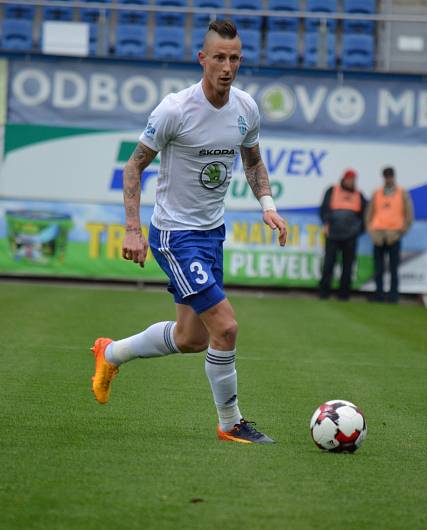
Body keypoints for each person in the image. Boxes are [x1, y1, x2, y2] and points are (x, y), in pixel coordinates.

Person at [89, 20, 288, 445]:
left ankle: (110, 353)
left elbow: (253, 163)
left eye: (234, 58)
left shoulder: (246, 108)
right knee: (227, 327)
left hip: (211, 234)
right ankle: (231, 422)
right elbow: (133, 166)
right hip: (174, 235)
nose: (227, 66)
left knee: (191, 338)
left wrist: (268, 207)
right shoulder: (175, 109)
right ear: (203, 59)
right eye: (219, 57)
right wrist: (132, 229)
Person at [365, 166, 414, 303]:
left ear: (394, 176)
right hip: (378, 236)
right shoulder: (377, 193)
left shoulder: (402, 193)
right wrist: (372, 232)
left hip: (394, 236)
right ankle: (379, 295)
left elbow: (409, 215)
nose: (388, 179)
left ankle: (393, 296)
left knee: (393, 269)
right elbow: (369, 215)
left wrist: (401, 232)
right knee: (378, 269)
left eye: (390, 176)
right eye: (386, 176)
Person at [318, 168, 367, 301]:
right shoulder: (332, 190)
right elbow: (324, 209)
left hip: (350, 236)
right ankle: (324, 292)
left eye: (353, 180)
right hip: (333, 234)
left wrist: (359, 230)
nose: (351, 182)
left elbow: (365, 214)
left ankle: (344, 294)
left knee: (348, 265)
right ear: (344, 179)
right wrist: (326, 223)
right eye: (349, 179)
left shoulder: (358, 194)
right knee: (329, 264)